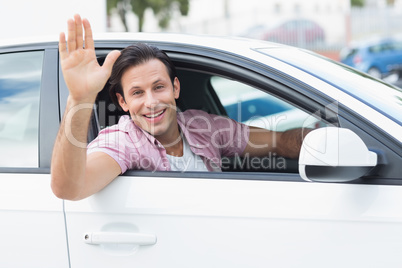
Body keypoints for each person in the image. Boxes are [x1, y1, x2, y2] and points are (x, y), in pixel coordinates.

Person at [51, 14, 308, 201]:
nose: (151, 102)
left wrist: (323, 137)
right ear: (123, 102)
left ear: (175, 88)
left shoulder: (202, 126)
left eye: (158, 87)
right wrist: (80, 97)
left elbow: (279, 141)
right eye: (137, 93)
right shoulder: (123, 142)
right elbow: (69, 188)